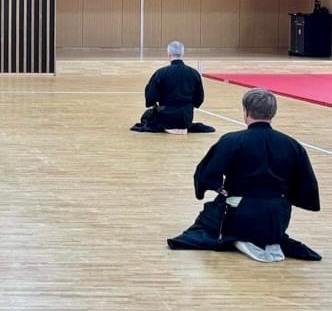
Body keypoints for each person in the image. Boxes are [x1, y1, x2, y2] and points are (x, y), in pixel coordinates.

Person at [167, 88, 321, 262]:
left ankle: (239, 237)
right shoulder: (292, 145)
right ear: (273, 113)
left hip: (242, 210)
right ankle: (266, 238)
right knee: (266, 208)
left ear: (246, 112)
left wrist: (220, 190)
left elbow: (207, 174)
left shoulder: (233, 141)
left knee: (209, 218)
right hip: (277, 216)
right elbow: (306, 185)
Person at [130, 40, 214, 134]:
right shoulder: (194, 73)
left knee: (148, 115)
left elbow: (151, 97)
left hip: (166, 117)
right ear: (182, 54)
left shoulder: (161, 73)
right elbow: (199, 99)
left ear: (169, 54)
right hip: (185, 118)